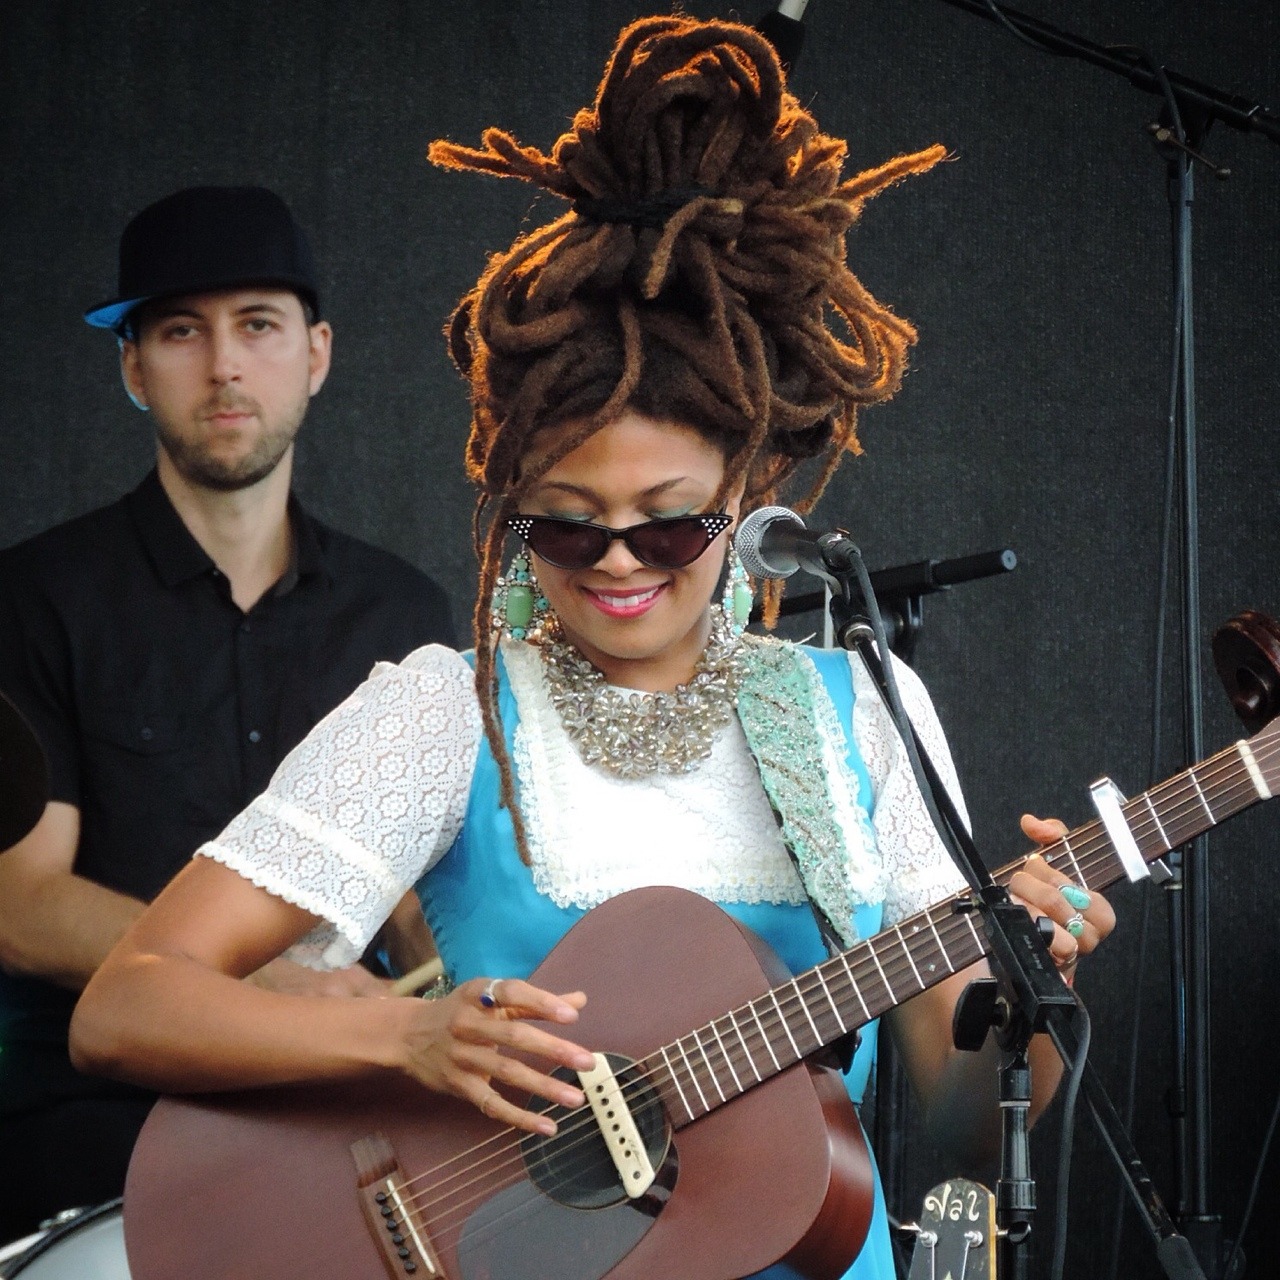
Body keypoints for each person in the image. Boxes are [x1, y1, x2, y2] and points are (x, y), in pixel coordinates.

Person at [71, 21, 1114, 1280]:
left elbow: (951, 1130)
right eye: (564, 527)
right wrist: (406, 1045)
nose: (618, 561)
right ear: (507, 508)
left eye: (670, 523)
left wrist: (1027, 988)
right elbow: (128, 1003)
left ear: (749, 494)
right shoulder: (445, 715)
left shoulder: (863, 716)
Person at [0, 185, 454, 1241]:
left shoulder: (404, 612)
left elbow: (415, 906)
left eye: (257, 324)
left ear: (318, 352)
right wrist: (264, 984)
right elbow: (21, 903)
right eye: (178, 331)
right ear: (132, 367)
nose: (223, 366)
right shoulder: (30, 598)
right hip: (106, 1124)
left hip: (355, 1113)